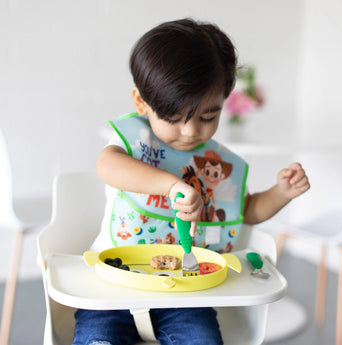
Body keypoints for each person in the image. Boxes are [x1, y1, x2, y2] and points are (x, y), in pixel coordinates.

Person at [73, 18, 310, 345]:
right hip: (112, 285)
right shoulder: (133, 143)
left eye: (207, 116)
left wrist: (282, 192)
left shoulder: (214, 163)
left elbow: (246, 210)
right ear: (142, 102)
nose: (190, 131)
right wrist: (171, 185)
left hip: (185, 293)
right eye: (173, 118)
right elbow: (107, 165)